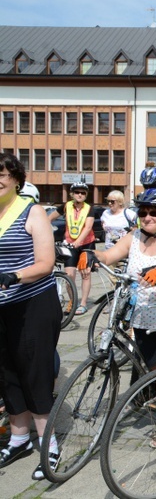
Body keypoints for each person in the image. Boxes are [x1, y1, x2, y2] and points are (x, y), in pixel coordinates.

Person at [77, 189, 156, 429]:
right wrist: (90, 254)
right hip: (142, 320)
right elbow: (109, 255)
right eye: (143, 213)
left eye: (154, 213)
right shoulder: (134, 236)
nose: (147, 217)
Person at [0, 153, 62, 480]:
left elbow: (45, 262)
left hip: (33, 302)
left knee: (34, 372)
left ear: (16, 180)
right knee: (7, 372)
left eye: (2, 175)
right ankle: (20, 438)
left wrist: (14, 275)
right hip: (2, 307)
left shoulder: (31, 211)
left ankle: (48, 444)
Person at [47, 181, 95, 315]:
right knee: (69, 275)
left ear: (86, 195)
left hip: (86, 244)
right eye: (77, 192)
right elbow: (49, 218)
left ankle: (83, 303)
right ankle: (73, 301)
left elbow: (88, 227)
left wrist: (79, 242)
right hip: (70, 243)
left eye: (83, 193)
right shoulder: (66, 206)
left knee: (85, 274)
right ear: (72, 194)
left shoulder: (89, 208)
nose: (80, 195)